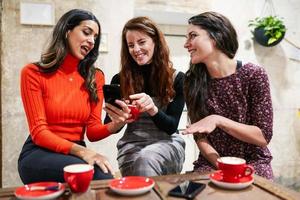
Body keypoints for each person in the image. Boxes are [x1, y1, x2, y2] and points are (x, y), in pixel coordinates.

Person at [18, 9, 123, 184]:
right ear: (67, 31)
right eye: (86, 32)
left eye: (95, 37)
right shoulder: (33, 73)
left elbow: (93, 131)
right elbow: (39, 132)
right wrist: (83, 152)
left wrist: (117, 124)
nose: (91, 41)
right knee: (100, 178)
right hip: (39, 152)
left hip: (75, 152)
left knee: (103, 177)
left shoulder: (95, 77)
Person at [182, 11, 273, 179]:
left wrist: (218, 120)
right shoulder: (191, 80)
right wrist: (221, 165)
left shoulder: (254, 75)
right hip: (211, 162)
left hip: (253, 163)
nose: (186, 44)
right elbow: (200, 136)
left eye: (192, 36)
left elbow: (263, 136)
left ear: (216, 37)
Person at [104, 16, 185, 176]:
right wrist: (119, 119)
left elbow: (171, 127)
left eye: (141, 42)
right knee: (143, 162)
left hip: (167, 143)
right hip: (131, 145)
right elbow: (110, 127)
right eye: (131, 45)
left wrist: (152, 108)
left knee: (146, 159)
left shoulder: (177, 78)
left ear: (155, 42)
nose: (136, 49)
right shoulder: (119, 80)